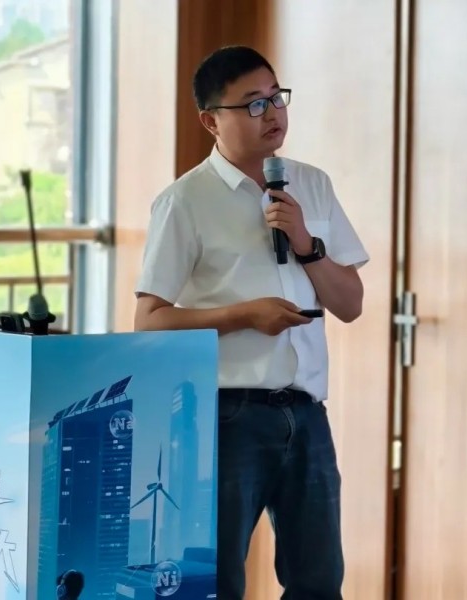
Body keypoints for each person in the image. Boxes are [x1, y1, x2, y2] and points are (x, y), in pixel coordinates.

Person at [133, 45, 369, 600]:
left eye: (276, 97)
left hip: (306, 413)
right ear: (211, 120)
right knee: (216, 583)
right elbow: (149, 320)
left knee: (319, 583)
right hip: (226, 416)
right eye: (253, 104)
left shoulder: (311, 185)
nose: (273, 113)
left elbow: (351, 304)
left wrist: (307, 244)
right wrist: (243, 315)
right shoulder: (185, 201)